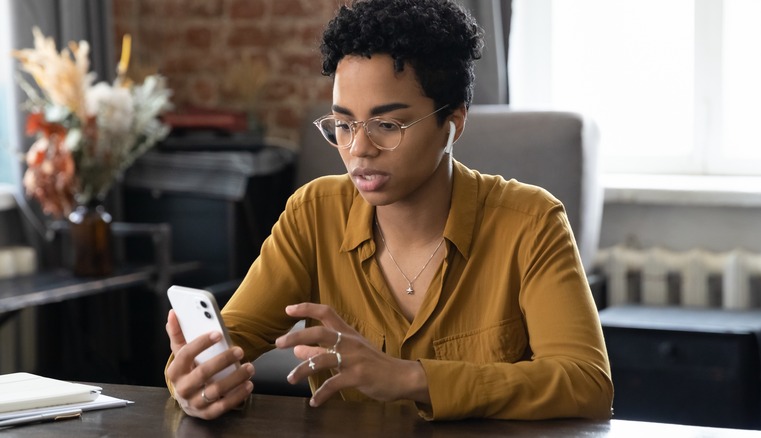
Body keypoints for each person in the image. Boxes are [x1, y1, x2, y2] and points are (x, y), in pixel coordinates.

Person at [164, 0, 613, 421]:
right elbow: (232, 338)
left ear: (453, 122)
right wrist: (191, 380)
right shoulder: (313, 213)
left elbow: (587, 383)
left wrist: (411, 377)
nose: (359, 148)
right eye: (342, 124)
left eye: (387, 124)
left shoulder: (532, 223)